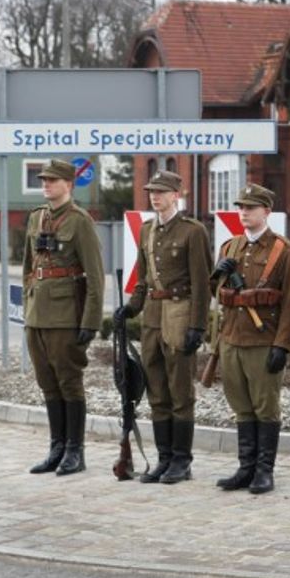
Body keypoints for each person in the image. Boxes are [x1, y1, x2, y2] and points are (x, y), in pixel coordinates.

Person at [115, 170, 211, 484]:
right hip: (153, 318)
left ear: (176, 195)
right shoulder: (146, 230)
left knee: (180, 392)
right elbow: (144, 280)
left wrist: (198, 325)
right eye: (152, 191)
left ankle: (182, 461)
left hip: (180, 315)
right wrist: (131, 307)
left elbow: (201, 284)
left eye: (161, 191)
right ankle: (164, 458)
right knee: (156, 391)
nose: (155, 196)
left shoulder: (192, 232)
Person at [213, 184, 290, 495]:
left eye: (251, 207)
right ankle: (245, 467)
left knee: (265, 407)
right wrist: (220, 275)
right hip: (232, 338)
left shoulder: (283, 251)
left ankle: (264, 470)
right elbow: (220, 297)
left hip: (262, 340)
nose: (244, 212)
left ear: (266, 211)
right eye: (241, 207)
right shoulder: (230, 248)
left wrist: (282, 345)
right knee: (241, 406)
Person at [24, 159, 105, 476]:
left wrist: (90, 322)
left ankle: (75, 450)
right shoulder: (36, 218)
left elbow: (96, 278)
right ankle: (56, 448)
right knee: (47, 384)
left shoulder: (80, 222)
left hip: (65, 315)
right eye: (44, 179)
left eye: (53, 180)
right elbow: (29, 266)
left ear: (68, 185)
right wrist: (28, 305)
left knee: (69, 384)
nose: (46, 184)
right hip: (37, 315)